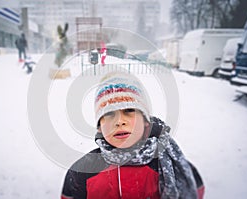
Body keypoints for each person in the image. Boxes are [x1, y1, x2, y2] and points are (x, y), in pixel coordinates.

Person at [61, 71, 204, 199]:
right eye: (109, 113)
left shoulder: (173, 166)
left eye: (129, 110)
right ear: (99, 127)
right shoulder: (81, 172)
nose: (119, 121)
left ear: (146, 122)